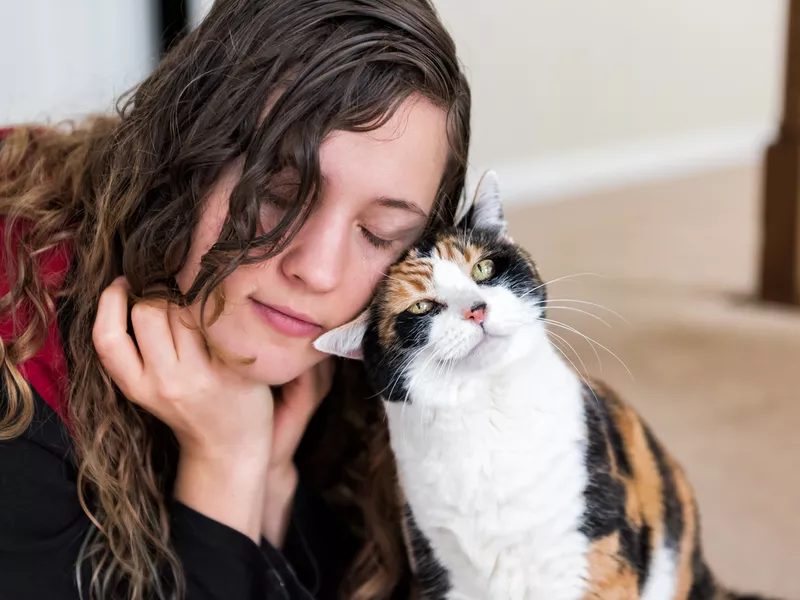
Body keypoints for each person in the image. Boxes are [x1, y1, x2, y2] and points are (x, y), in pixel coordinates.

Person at [0, 0, 471, 598]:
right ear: (183, 156)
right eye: (278, 192)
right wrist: (225, 465)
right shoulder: (18, 362)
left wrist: (270, 489)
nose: (320, 271)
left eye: (379, 233)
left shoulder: (370, 343)